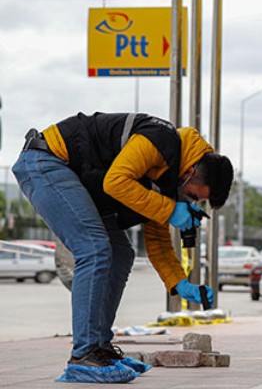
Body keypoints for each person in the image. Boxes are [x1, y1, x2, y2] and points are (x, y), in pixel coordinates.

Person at [12, 112, 234, 383]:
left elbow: (159, 241)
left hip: (72, 175)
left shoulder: (168, 179)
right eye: (194, 196)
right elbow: (115, 182)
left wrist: (180, 283)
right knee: (94, 249)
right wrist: (170, 209)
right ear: (190, 172)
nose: (191, 202)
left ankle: (100, 348)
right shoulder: (160, 138)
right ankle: (84, 355)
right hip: (47, 162)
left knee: (122, 253)